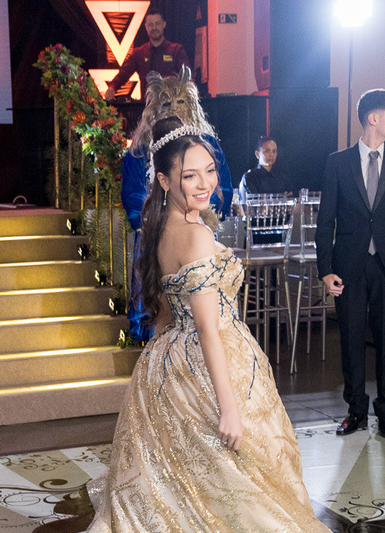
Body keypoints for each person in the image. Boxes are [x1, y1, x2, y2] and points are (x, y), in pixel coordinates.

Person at [83, 117, 361, 533]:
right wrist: (229, 406)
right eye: (190, 175)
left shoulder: (163, 228)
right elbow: (209, 328)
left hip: (170, 364)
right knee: (232, 483)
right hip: (208, 366)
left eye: (209, 171)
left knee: (188, 490)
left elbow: (165, 315)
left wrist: (154, 373)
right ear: (165, 180)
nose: (205, 183)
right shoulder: (196, 233)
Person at [316, 88, 385, 439]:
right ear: (373, 118)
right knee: (350, 340)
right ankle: (355, 411)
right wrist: (325, 269)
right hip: (348, 265)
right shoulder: (337, 162)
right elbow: (325, 220)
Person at [121, 69, 231, 343]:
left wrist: (201, 216)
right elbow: (133, 196)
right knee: (162, 310)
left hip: (200, 230)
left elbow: (223, 189)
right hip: (156, 232)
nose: (173, 108)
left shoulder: (208, 145)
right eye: (167, 103)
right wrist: (156, 222)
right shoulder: (139, 150)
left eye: (179, 102)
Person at [104, 10, 189, 102]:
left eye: (157, 24)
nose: (154, 28)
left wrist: (190, 94)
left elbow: (187, 76)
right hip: (147, 106)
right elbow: (123, 75)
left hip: (171, 106)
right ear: (146, 27)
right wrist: (112, 87)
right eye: (150, 25)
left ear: (164, 24)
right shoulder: (139, 53)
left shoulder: (176, 50)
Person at [237, 136, 293, 202]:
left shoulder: (282, 177)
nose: (271, 155)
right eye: (267, 151)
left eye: (274, 151)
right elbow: (254, 204)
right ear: (257, 154)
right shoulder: (250, 177)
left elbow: (292, 199)